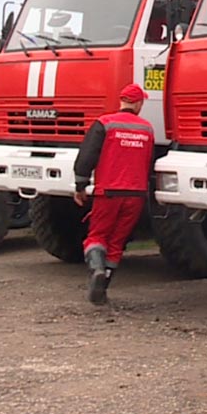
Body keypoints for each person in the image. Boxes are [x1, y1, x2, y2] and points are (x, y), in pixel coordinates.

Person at [73, 83, 155, 304]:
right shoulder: (147, 129)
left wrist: (80, 185)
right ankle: (104, 285)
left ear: (122, 101)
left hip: (108, 192)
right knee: (117, 241)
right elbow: (148, 164)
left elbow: (87, 156)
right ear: (138, 103)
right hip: (136, 194)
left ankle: (97, 269)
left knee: (97, 236)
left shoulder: (105, 123)